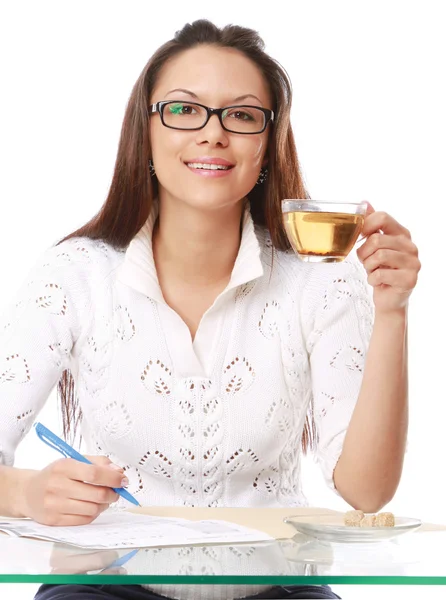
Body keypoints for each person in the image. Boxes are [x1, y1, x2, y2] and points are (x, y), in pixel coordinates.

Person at [0, 18, 420, 600]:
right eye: (184, 110)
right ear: (144, 132)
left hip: (277, 587)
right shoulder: (74, 274)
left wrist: (393, 311)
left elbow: (366, 493)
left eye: (242, 115)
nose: (213, 134)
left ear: (268, 145)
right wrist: (24, 492)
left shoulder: (322, 281)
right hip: (107, 584)